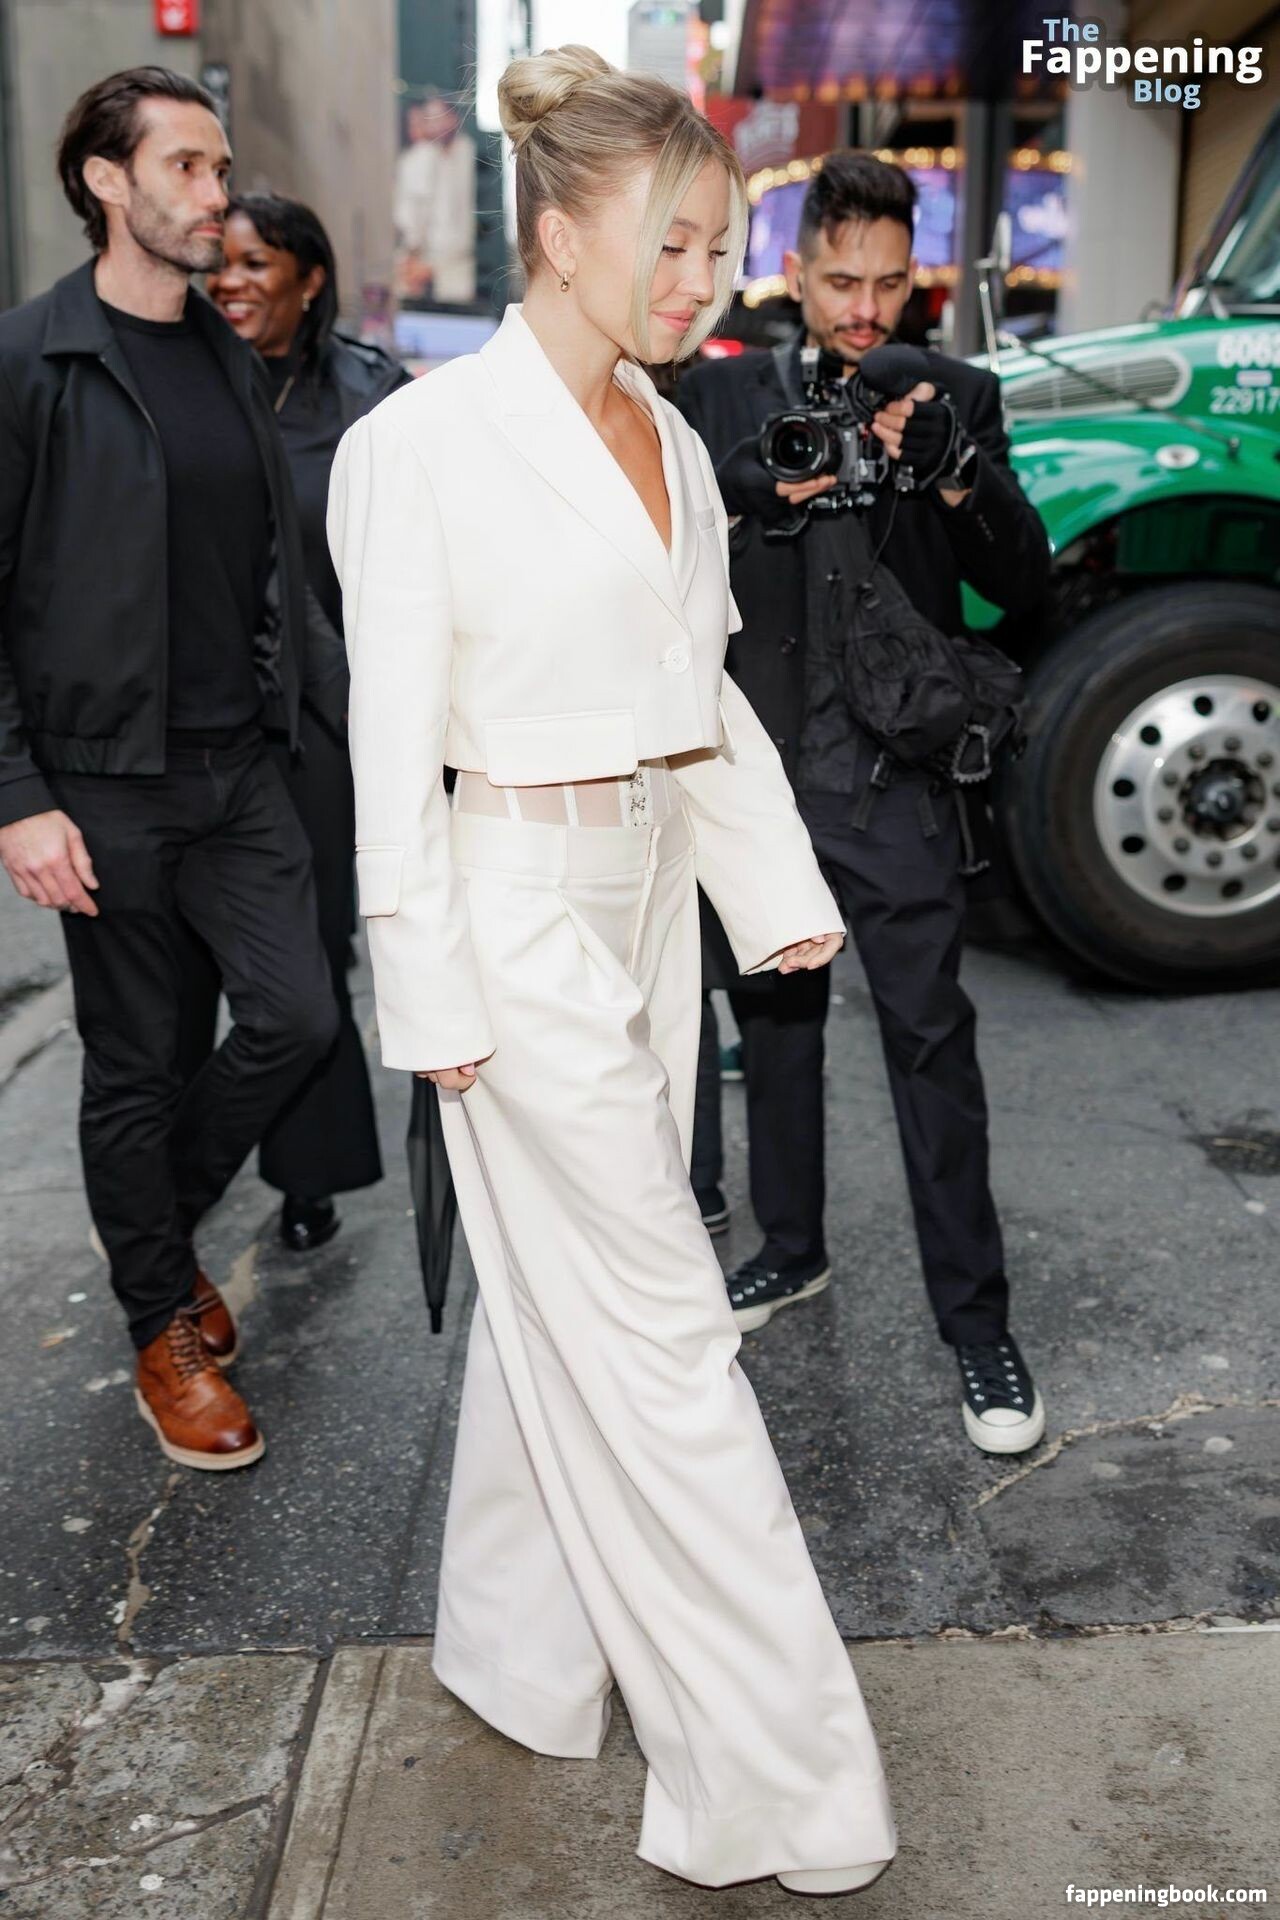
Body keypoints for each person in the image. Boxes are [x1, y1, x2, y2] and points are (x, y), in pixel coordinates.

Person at [327, 44, 896, 1900]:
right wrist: (426, 996)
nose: (701, 279)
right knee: (665, 1334)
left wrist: (768, 887)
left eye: (720, 246)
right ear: (561, 234)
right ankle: (783, 1784)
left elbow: (698, 691)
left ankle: (517, 1650)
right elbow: (386, 746)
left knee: (561, 1305)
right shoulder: (418, 447)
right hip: (508, 906)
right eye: (672, 241)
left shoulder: (669, 436)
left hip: (650, 895)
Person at [678, 152, 1052, 1455]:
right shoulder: (721, 392)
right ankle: (792, 1247)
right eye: (841, 280)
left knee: (930, 1045)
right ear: (794, 271)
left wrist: (955, 474)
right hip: (760, 773)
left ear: (914, 277)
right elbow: (657, 561)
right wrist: (737, 493)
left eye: (888, 283)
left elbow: (1023, 581)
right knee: (773, 1029)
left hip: (895, 775)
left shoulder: (957, 393)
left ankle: (977, 1325)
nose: (863, 308)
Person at [0, 68, 347, 1469]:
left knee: (299, 1018)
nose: (218, 194)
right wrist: (18, 797)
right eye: (188, 168)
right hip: (101, 781)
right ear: (107, 182)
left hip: (236, 767)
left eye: (219, 167)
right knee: (136, 1065)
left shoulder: (224, 353)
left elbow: (269, 572)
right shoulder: (30, 364)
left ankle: (148, 1231)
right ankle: (161, 1323)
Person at [195, 191, 409, 1251]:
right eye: (221, 264)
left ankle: (306, 1174)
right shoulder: (190, 376)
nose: (230, 282)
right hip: (208, 714)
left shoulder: (371, 392)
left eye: (255, 263)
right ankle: (167, 1174)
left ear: (309, 277)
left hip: (326, 718)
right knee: (204, 961)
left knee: (313, 945)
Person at [392, 94, 477, 304]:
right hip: (423, 258)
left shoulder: (464, 150)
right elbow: (411, 212)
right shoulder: (419, 157)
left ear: (453, 118)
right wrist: (414, 253)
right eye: (427, 119)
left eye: (436, 117)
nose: (432, 125)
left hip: (454, 260)